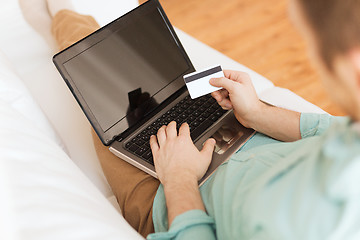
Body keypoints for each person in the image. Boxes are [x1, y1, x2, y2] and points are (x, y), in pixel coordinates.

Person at [23, 0, 360, 239]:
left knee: (106, 112)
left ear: (352, 66)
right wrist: (258, 113)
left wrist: (179, 178)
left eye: (309, 43)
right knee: (160, 98)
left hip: (170, 203)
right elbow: (324, 128)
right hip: (247, 135)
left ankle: (64, 15)